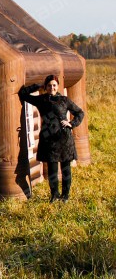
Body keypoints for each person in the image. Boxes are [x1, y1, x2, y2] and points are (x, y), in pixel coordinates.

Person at [19, 75, 84, 203]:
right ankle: (54, 195)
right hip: (49, 140)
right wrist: (37, 85)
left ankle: (65, 196)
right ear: (46, 87)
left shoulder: (64, 100)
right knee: (52, 171)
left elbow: (80, 112)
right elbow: (23, 94)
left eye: (54, 85)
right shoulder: (41, 99)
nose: (52, 88)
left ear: (57, 86)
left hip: (64, 139)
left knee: (66, 169)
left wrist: (71, 123)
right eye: (49, 85)